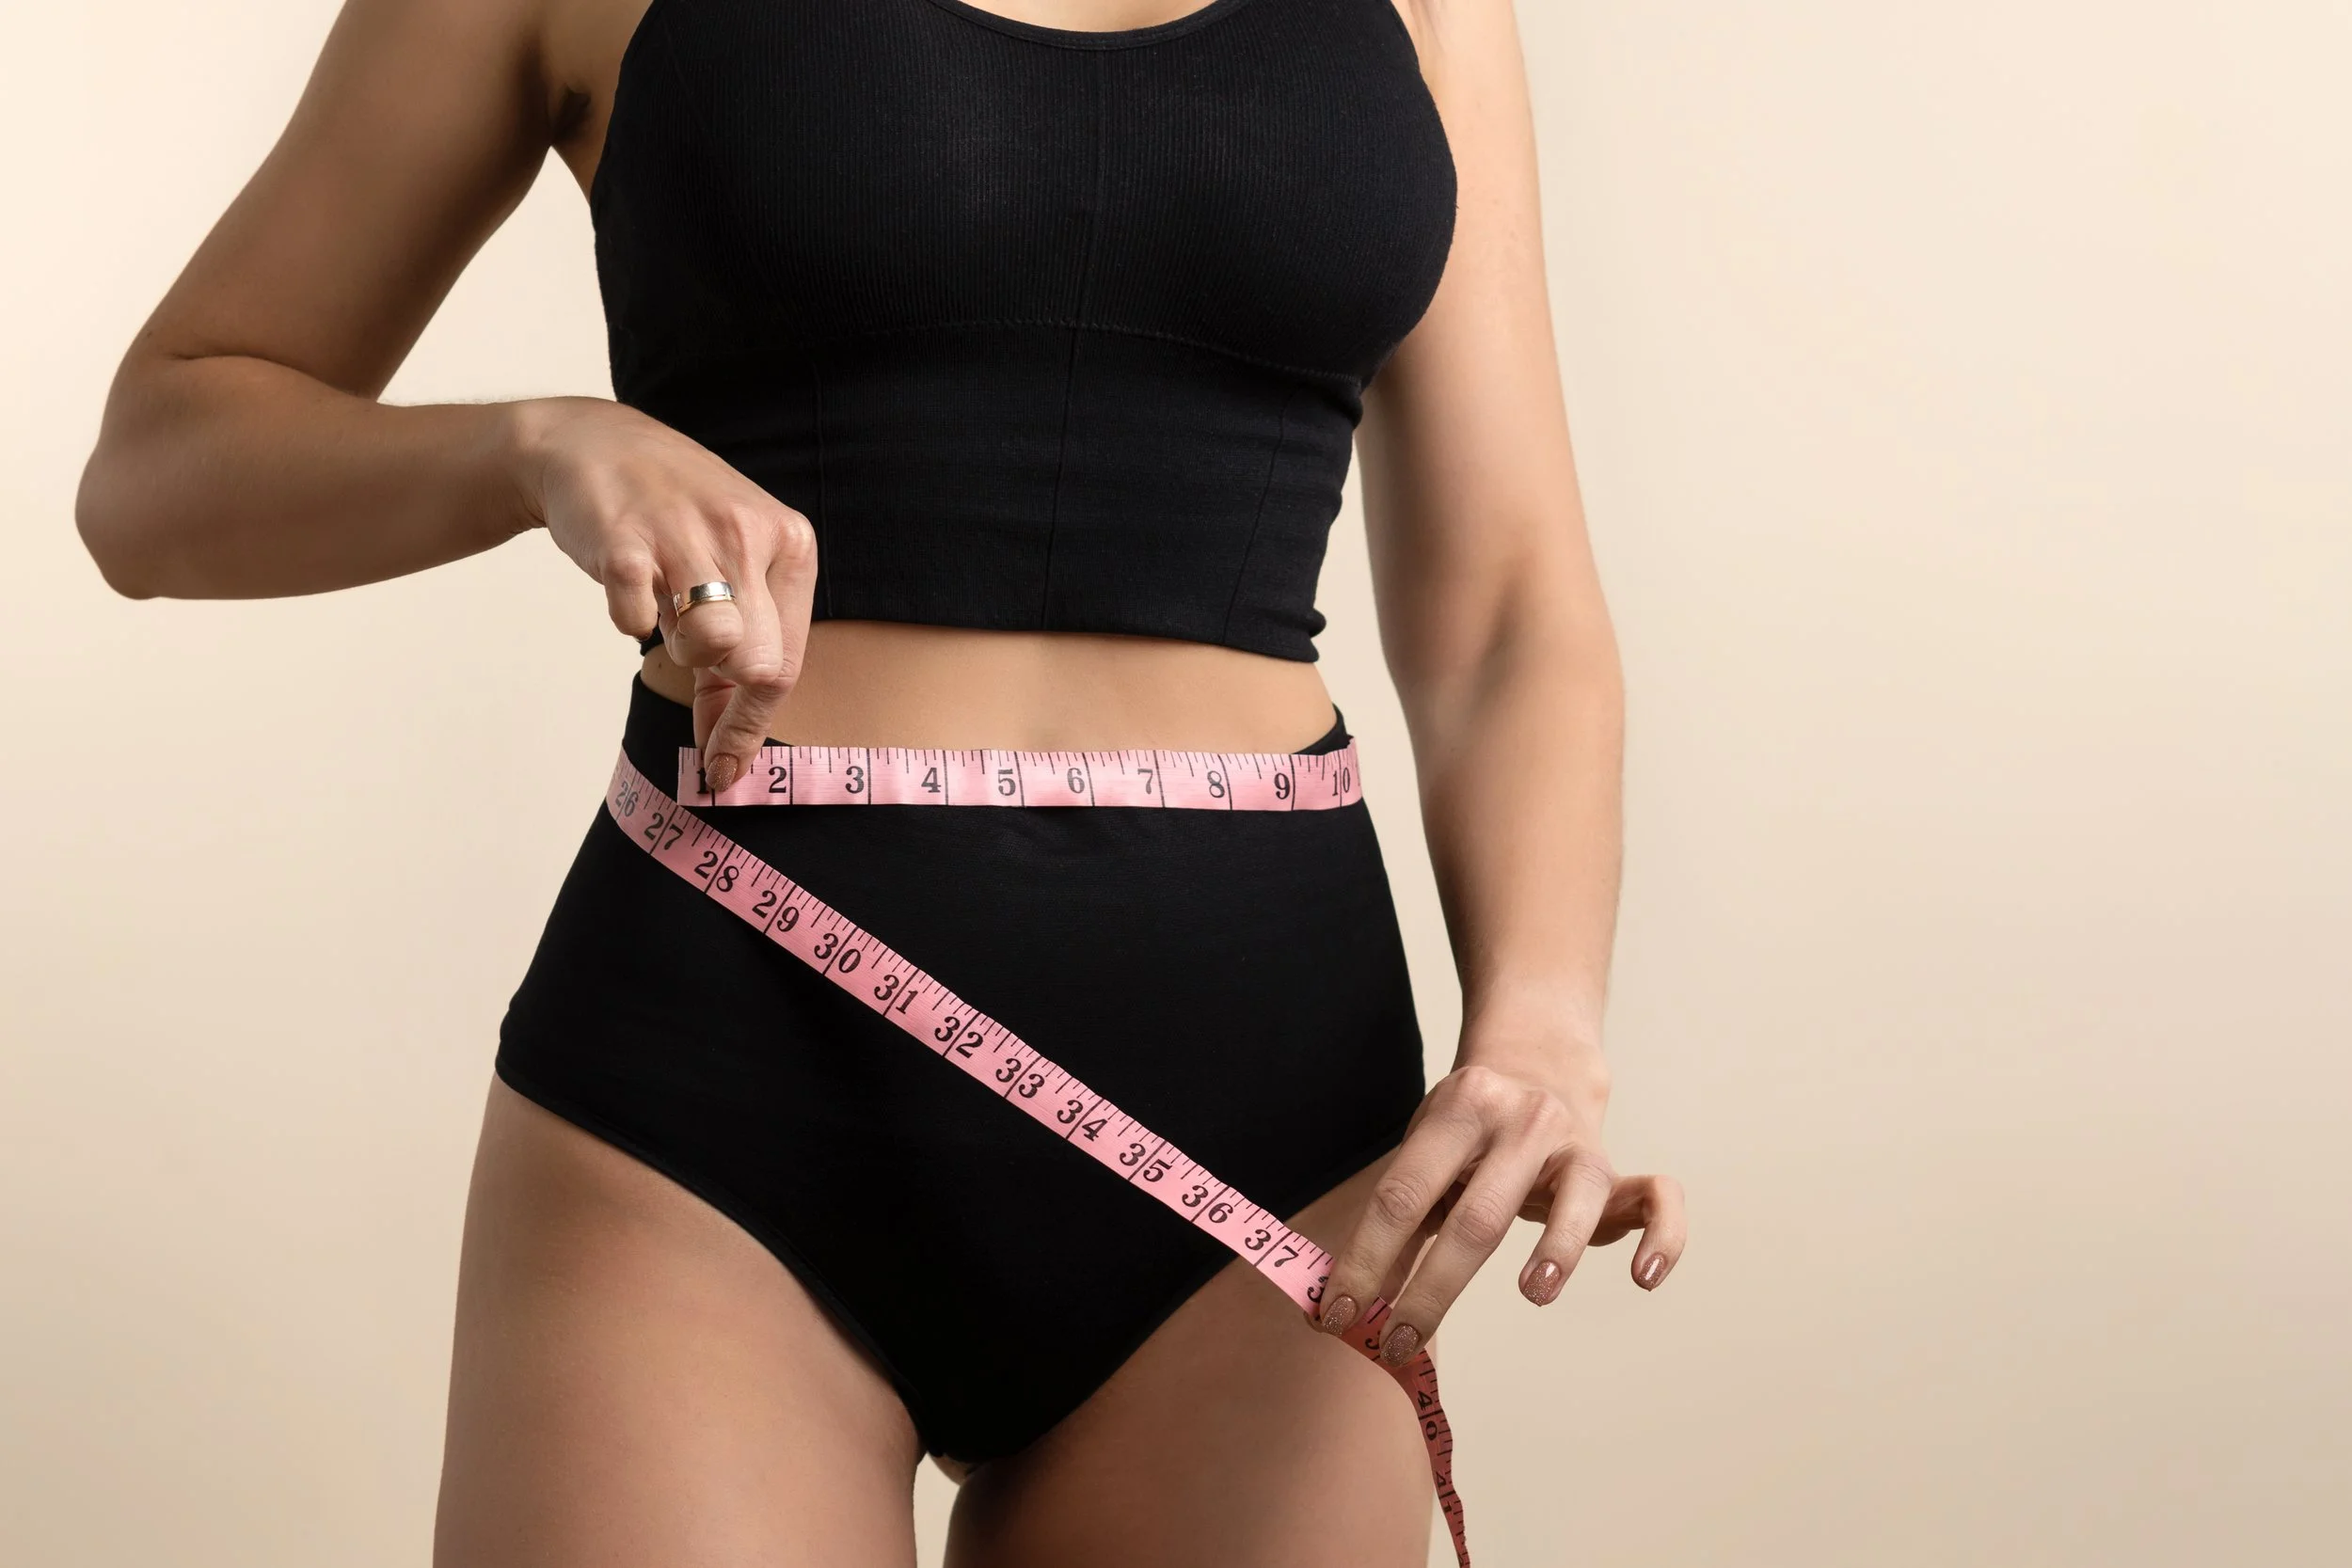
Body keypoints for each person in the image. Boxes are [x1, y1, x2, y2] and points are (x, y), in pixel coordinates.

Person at [75, 0, 1687, 1560]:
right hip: (725, 1072)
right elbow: (154, 471)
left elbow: (1506, 607)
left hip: (1283, 1102)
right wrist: (537, 443)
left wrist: (1543, 1018)